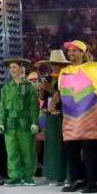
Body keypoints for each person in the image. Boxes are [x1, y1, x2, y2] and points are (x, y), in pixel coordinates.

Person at [59, 40, 97, 194]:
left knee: (90, 152)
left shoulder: (94, 67)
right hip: (70, 117)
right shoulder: (65, 71)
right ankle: (78, 180)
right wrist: (55, 100)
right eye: (69, 51)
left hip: (90, 114)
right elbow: (60, 92)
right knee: (71, 150)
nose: (71, 53)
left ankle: (92, 183)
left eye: (74, 50)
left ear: (82, 53)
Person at [0, 57, 40, 187]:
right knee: (12, 151)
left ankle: (28, 176)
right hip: (10, 125)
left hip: (25, 124)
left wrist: (35, 122)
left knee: (27, 151)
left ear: (21, 68)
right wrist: (1, 122)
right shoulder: (6, 88)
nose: (12, 70)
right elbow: (2, 106)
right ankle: (15, 176)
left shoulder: (29, 87)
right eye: (10, 68)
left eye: (15, 67)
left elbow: (34, 106)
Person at [35, 49, 69, 185]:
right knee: (51, 146)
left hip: (63, 116)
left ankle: (63, 175)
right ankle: (53, 175)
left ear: (63, 65)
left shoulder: (67, 78)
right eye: (53, 64)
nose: (55, 66)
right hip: (50, 116)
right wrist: (42, 91)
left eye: (58, 64)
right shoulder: (48, 78)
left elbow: (66, 96)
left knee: (62, 146)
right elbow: (43, 98)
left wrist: (50, 89)